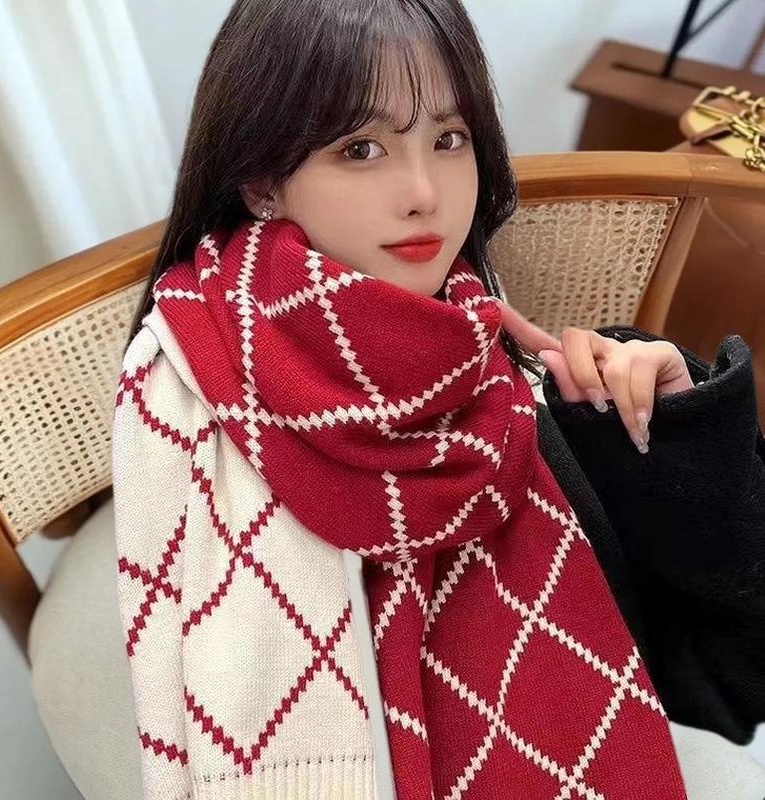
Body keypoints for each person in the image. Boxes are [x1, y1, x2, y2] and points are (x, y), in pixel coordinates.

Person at [113, 2, 765, 798]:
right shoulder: (185, 380)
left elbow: (726, 676)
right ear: (261, 182)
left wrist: (676, 422)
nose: (424, 193)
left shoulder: (511, 368)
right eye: (360, 148)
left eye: (449, 139)